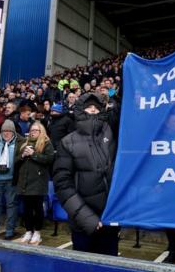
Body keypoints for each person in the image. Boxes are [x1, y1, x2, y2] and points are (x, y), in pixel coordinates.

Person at [53, 93, 118, 255]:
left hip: (110, 220)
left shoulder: (111, 135)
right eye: (89, 107)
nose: (93, 110)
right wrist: (88, 219)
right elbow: (63, 186)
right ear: (80, 110)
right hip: (84, 225)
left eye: (97, 107)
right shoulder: (67, 142)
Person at [16, 121, 54, 245]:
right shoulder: (24, 143)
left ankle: (37, 232)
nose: (33, 132)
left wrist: (33, 154)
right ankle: (28, 231)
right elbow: (15, 161)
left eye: (36, 130)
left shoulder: (46, 143)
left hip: (38, 181)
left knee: (37, 208)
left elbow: (49, 159)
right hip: (24, 181)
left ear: (41, 131)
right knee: (26, 208)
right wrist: (23, 155)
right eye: (31, 130)